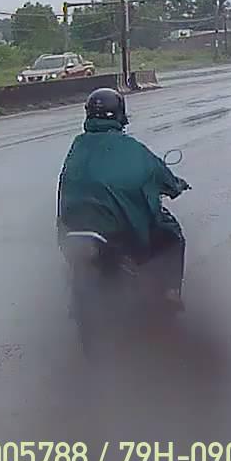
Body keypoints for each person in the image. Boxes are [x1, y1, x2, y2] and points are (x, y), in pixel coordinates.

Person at [56, 88, 191, 308]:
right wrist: (175, 185)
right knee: (171, 234)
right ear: (120, 114)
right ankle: (170, 292)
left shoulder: (78, 145)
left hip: (72, 226)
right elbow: (161, 176)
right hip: (115, 229)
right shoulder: (131, 147)